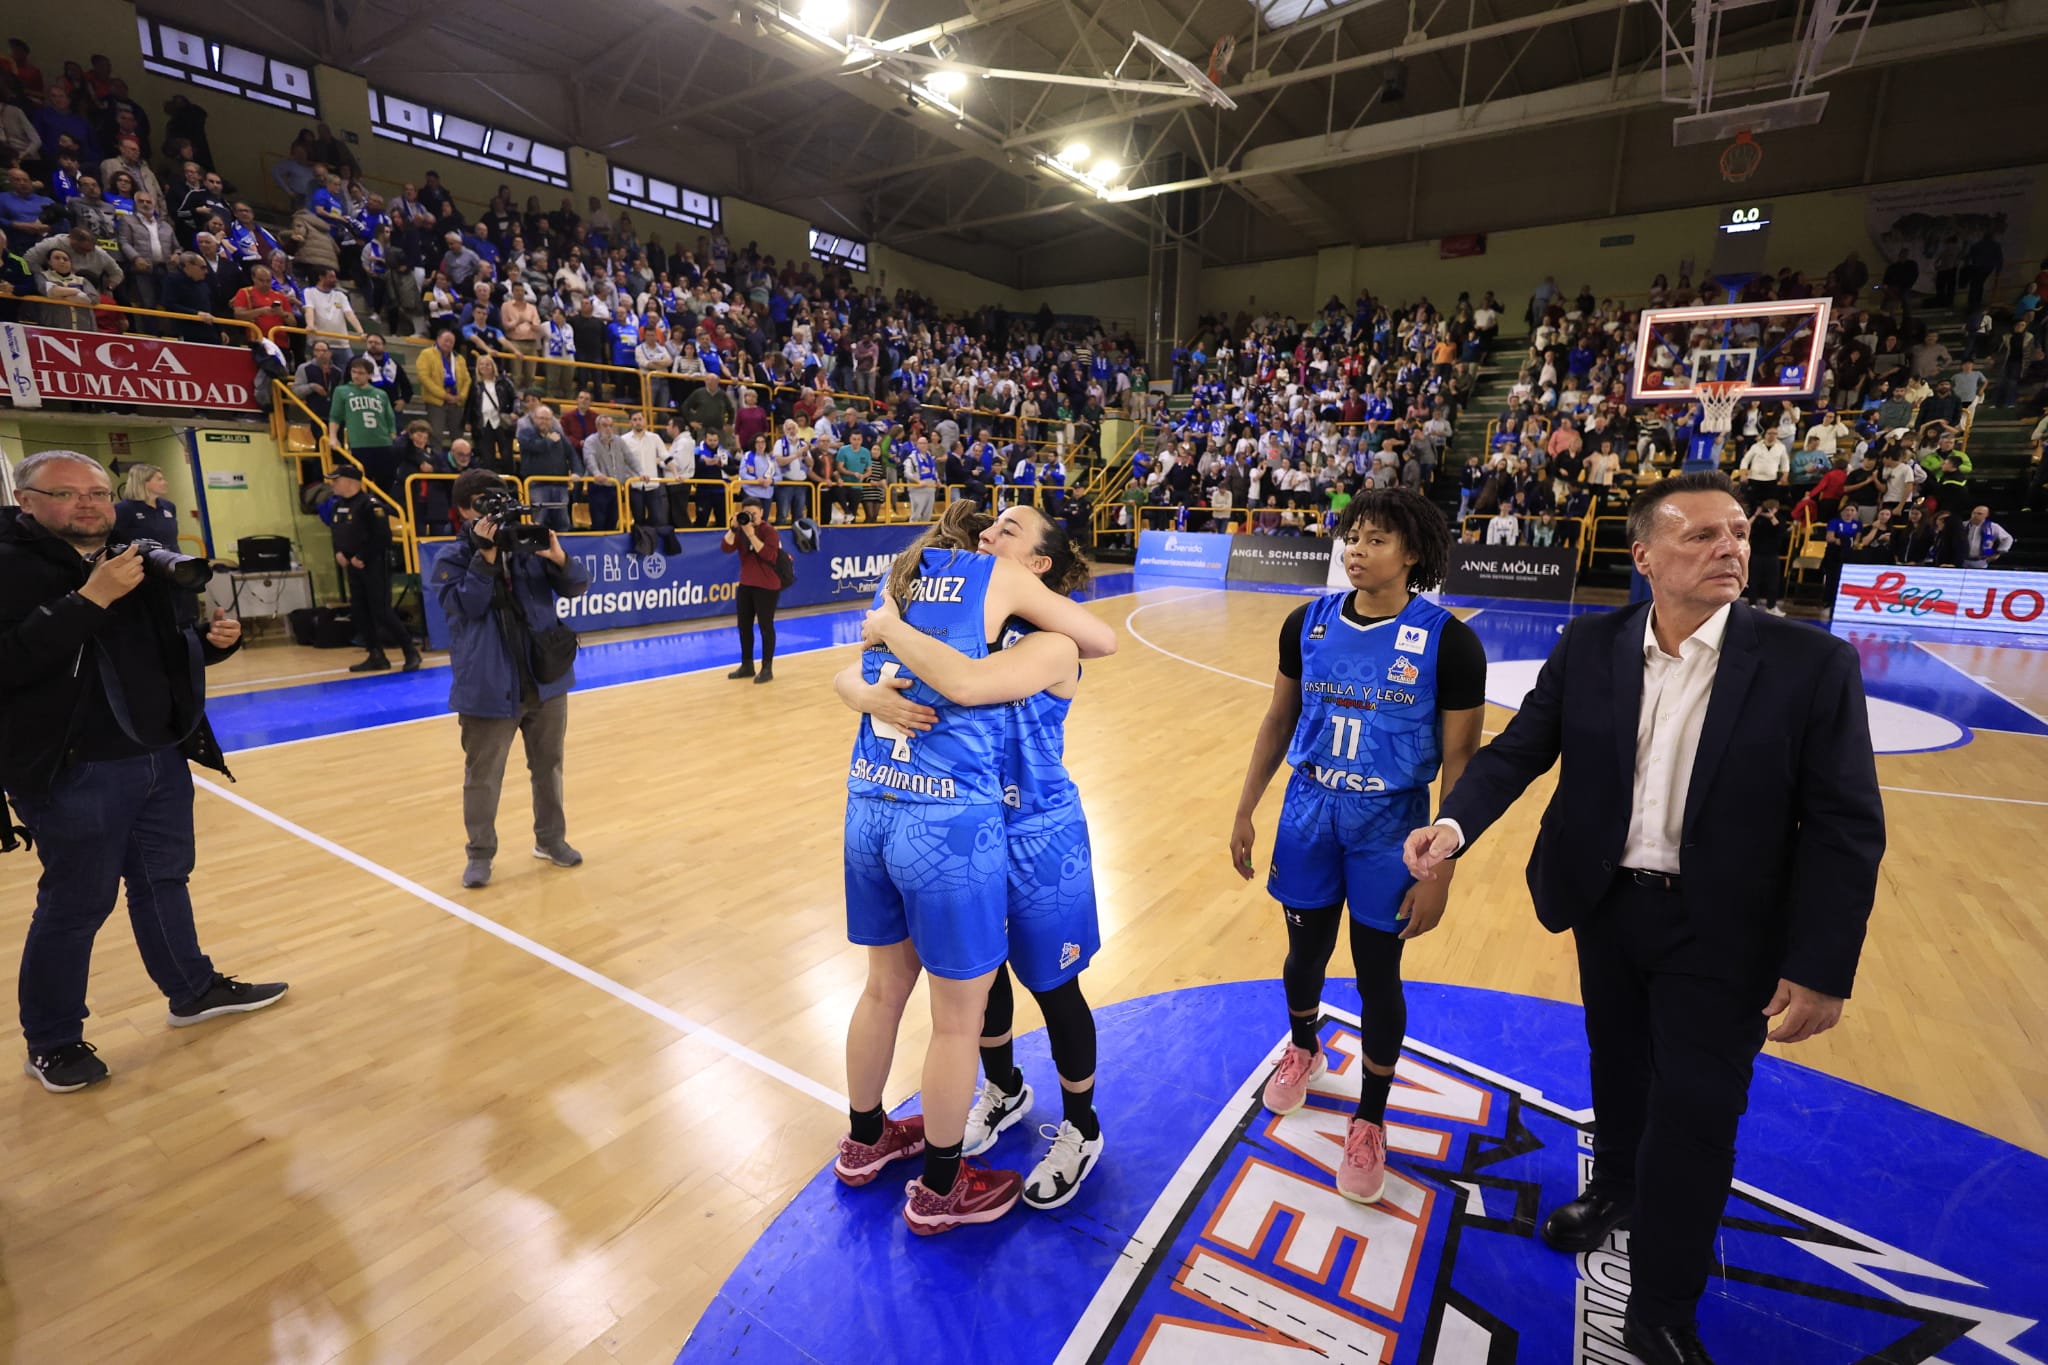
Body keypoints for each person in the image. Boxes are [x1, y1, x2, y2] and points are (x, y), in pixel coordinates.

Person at [1400, 470, 1885, 1365]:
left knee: (1698, 1114)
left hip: (1725, 929)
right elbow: (1518, 751)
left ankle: (1662, 1308)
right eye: (1701, 535)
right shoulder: (1592, 644)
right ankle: (1617, 1184)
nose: (1730, 548)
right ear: (1645, 556)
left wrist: (1822, 964)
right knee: (1617, 1067)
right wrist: (1453, 824)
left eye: (1738, 532)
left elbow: (1848, 826)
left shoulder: (1811, 664)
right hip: (1608, 904)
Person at [831, 502, 1118, 1235]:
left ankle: (1081, 1124)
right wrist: (863, 691)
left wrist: (889, 632)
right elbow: (868, 672)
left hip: (1037, 835)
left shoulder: (1052, 643)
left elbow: (964, 682)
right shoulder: (957, 611)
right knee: (977, 991)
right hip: (966, 829)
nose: (988, 536)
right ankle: (1002, 1089)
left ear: (1040, 567)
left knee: (1054, 988)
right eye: (988, 527)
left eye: (1009, 531)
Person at [1, 450, 288, 1093]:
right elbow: (12, 664)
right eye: (68, 493)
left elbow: (154, 658)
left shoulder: (133, 559)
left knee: (164, 880)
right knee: (76, 905)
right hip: (73, 770)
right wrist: (88, 600)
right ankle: (51, 1040)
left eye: (98, 493)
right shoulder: (10, 566)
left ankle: (192, 990)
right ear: (25, 501)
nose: (88, 505)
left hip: (155, 755)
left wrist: (216, 645)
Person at [1228, 488, 1485, 1203]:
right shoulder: (1304, 622)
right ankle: (1304, 1047)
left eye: (1375, 539)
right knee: (1303, 951)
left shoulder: (1449, 640)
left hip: (1391, 825)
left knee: (1378, 973)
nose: (1356, 549)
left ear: (1412, 555)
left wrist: (1442, 868)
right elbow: (1279, 717)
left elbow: (1461, 759)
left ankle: (1370, 1117)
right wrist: (1247, 805)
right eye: (1352, 535)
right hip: (1309, 810)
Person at [430, 469, 591, 890]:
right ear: (464, 510)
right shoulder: (450, 556)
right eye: (484, 503)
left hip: (545, 680)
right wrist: (483, 559)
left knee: (549, 767)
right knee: (482, 777)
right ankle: (480, 854)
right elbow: (466, 606)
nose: (495, 511)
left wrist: (557, 557)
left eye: (500, 500)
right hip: (487, 687)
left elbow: (576, 586)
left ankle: (551, 840)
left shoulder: (527, 544)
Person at [325, 465, 421, 674]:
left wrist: (362, 556)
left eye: (336, 480)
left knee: (382, 611)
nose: (333, 484)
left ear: (350, 482)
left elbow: (382, 537)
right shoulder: (339, 505)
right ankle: (376, 655)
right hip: (352, 566)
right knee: (360, 612)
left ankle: (410, 651)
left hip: (374, 564)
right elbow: (338, 532)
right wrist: (339, 552)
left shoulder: (370, 505)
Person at [722, 497, 783, 684]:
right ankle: (747, 665)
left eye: (754, 513)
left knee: (766, 627)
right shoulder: (740, 529)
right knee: (744, 626)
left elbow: (769, 555)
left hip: (767, 586)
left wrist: (751, 535)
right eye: (747, 513)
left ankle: (767, 668)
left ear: (762, 513)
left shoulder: (768, 531)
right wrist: (733, 528)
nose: (751, 517)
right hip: (746, 584)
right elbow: (725, 548)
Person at [328, 357, 399, 494]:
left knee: (386, 481)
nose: (356, 376)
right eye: (354, 372)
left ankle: (381, 507)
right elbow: (335, 416)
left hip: (383, 443)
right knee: (360, 480)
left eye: (360, 373)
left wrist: (392, 435)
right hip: (360, 444)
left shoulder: (381, 394)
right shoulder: (342, 391)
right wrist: (333, 436)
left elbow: (389, 418)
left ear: (369, 375)